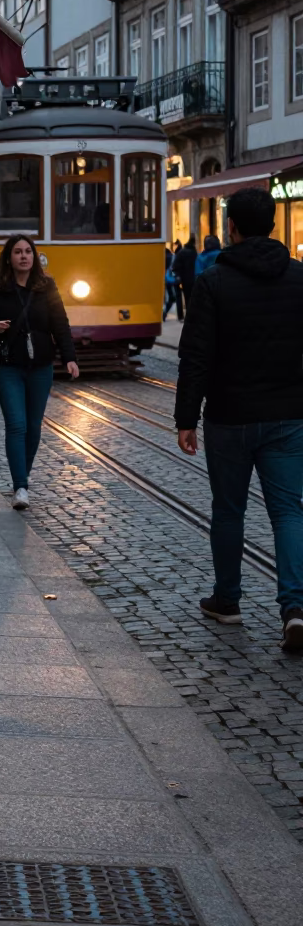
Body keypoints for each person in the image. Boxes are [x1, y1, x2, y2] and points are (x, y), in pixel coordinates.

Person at [175, 186, 303, 651]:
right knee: (289, 511)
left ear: (231, 227)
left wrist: (186, 418)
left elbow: (195, 356)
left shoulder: (214, 282)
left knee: (229, 510)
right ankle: (295, 608)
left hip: (230, 417)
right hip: (289, 415)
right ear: (271, 224)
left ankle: (227, 600)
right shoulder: (299, 278)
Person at [0, 235, 79, 510]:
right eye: (18, 252)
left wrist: (70, 358)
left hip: (40, 367)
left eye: (28, 252)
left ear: (34, 257)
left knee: (33, 428)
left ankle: (21, 477)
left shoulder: (47, 287)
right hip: (7, 365)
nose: (24, 256)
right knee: (17, 425)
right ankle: (21, 486)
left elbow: (60, 323)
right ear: (8, 257)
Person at [172, 235, 198, 313]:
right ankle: (191, 312)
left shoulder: (182, 252)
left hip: (183, 277)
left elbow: (175, 265)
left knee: (183, 296)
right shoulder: (194, 252)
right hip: (192, 277)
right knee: (191, 296)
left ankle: (183, 314)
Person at [163, 246, 183, 322]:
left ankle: (164, 313)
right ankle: (164, 313)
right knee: (173, 297)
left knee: (171, 297)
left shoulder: (164, 257)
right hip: (172, 279)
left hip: (167, 280)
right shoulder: (172, 257)